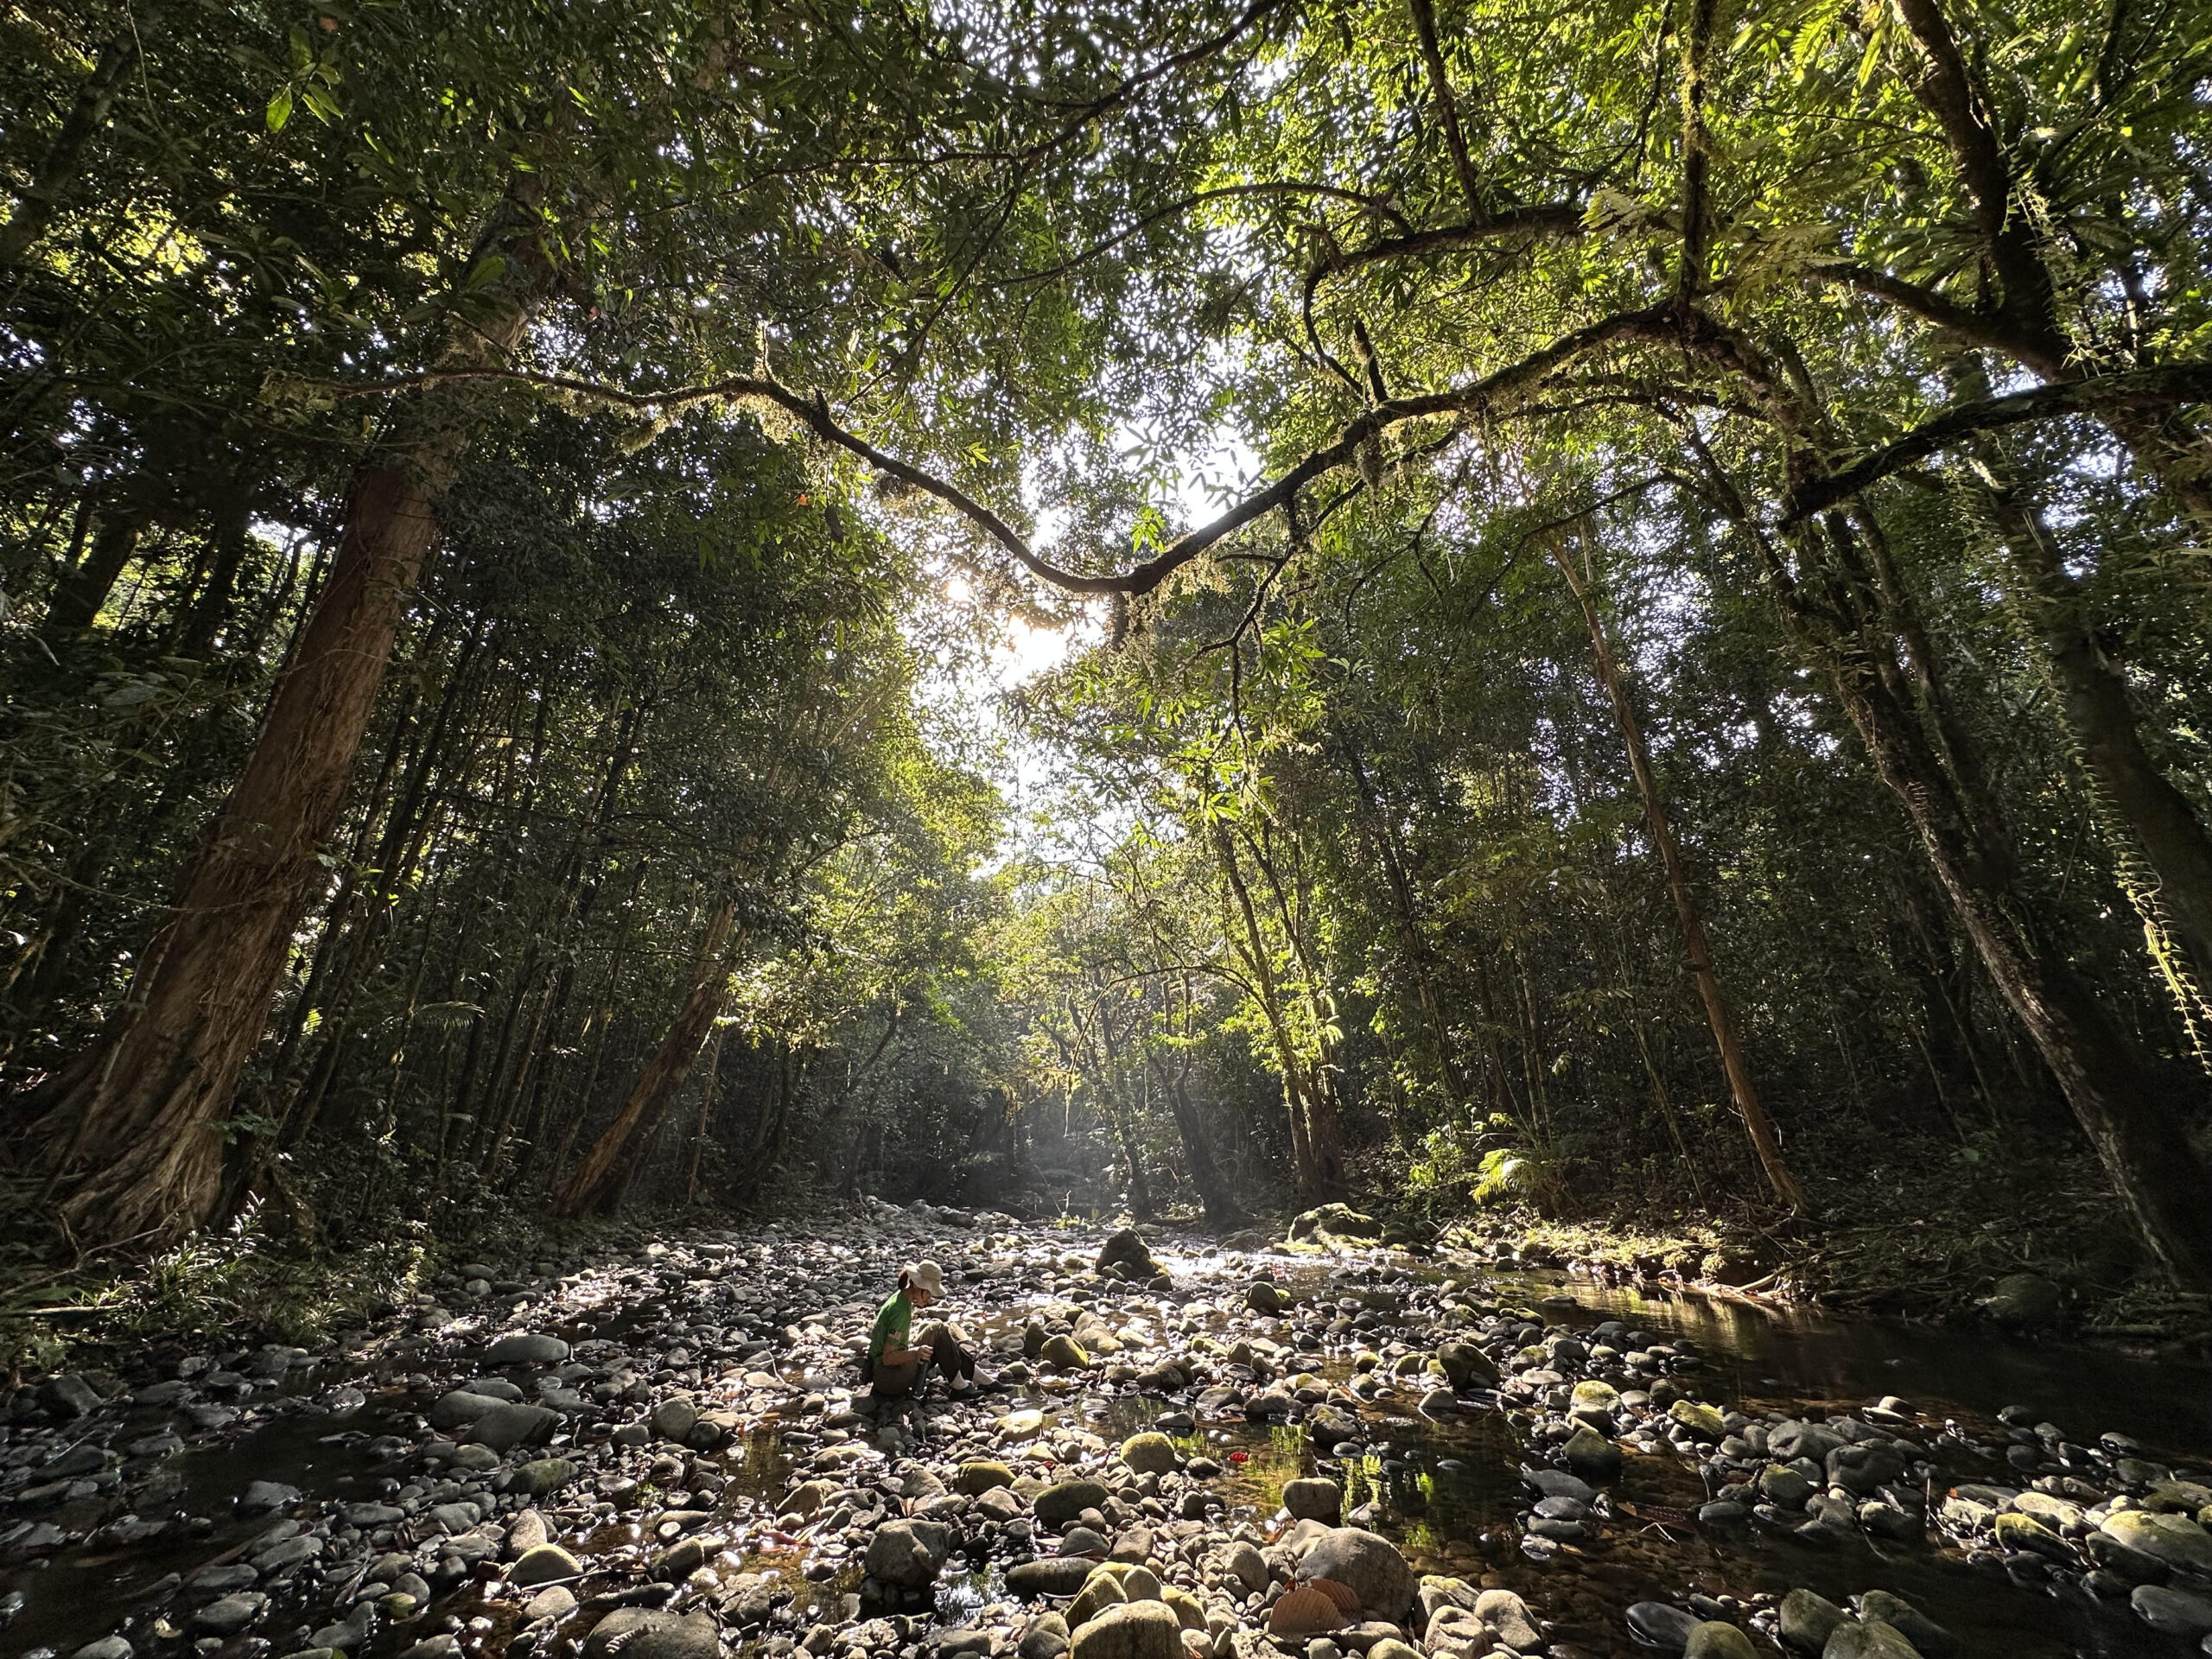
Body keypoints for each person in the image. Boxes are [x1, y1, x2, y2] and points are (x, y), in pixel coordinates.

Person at [866, 1259, 979, 1398]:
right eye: (929, 1292)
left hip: (884, 1373)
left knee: (934, 1328)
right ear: (918, 1287)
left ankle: (979, 1380)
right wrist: (916, 1353)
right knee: (938, 1330)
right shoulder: (900, 1311)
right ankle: (962, 1386)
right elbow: (888, 1358)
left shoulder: (901, 1297)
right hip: (888, 1379)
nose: (930, 1298)